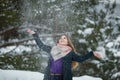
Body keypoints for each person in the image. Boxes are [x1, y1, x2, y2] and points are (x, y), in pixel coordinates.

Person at [27, 29, 101, 80]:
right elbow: (41, 45)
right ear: (58, 41)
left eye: (64, 38)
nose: (62, 39)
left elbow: (80, 59)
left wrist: (92, 53)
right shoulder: (52, 49)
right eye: (60, 38)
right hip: (49, 77)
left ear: (67, 42)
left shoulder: (70, 53)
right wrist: (35, 34)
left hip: (63, 78)